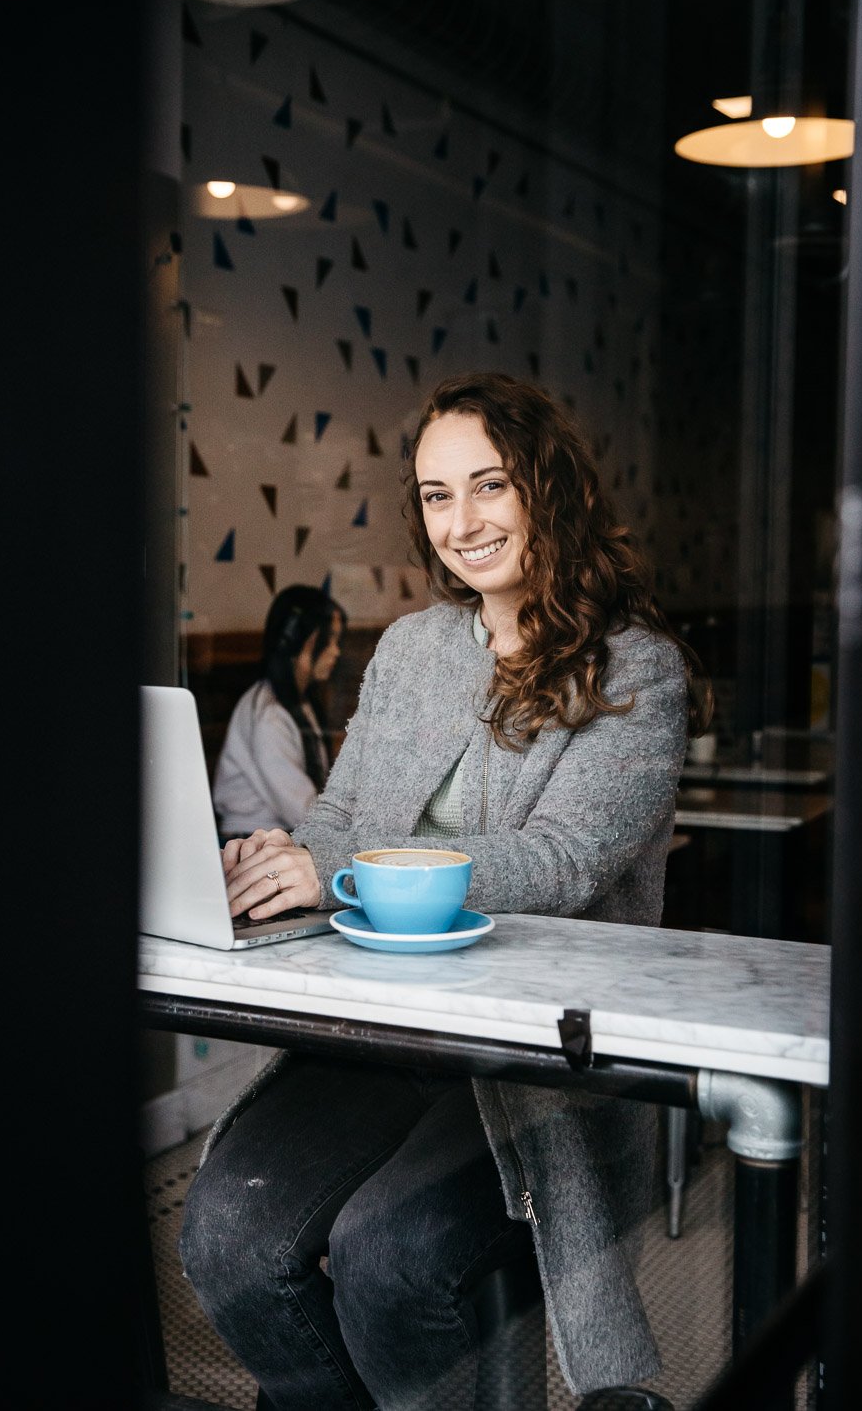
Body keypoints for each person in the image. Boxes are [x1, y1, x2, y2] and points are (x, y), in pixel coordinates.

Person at [179, 372, 713, 1411]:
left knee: (390, 1257)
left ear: (545, 491)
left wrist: (336, 869)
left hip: (526, 1050)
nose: (459, 523)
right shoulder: (415, 650)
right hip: (383, 1023)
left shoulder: (636, 669)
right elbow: (338, 818)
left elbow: (561, 863)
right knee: (227, 1238)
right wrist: (280, 856)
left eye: (488, 487)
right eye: (434, 495)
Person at [212, 584, 347, 840]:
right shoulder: (269, 715)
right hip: (250, 839)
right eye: (327, 640)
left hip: (279, 834)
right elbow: (300, 810)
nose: (335, 651)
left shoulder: (298, 702)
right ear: (295, 642)